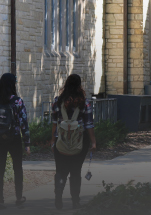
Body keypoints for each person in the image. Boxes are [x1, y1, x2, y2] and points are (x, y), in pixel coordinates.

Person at [51, 74, 96, 210]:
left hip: (61, 140)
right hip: (80, 141)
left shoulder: (57, 102)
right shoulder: (84, 102)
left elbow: (54, 123)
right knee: (76, 171)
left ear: (66, 85)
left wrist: (52, 140)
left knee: (60, 170)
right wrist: (93, 142)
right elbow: (89, 124)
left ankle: (58, 198)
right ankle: (75, 201)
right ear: (79, 86)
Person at [0, 73, 30, 210]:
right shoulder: (17, 101)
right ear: (12, 85)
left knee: (0, 169)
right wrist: (27, 143)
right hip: (14, 138)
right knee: (17, 168)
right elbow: (24, 123)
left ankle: (0, 202)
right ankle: (19, 198)